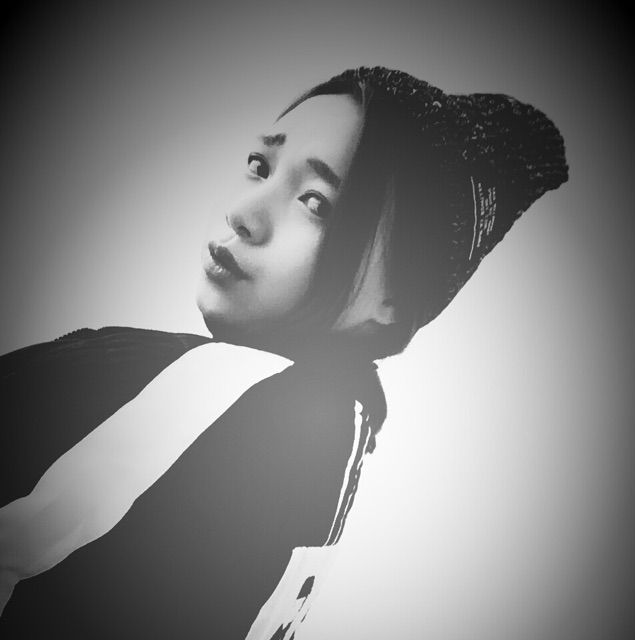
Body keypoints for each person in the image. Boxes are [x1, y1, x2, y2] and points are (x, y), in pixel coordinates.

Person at [0, 66, 568, 639]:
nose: (243, 214)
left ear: (397, 297)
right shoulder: (337, 432)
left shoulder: (220, 400)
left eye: (316, 202)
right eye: (259, 166)